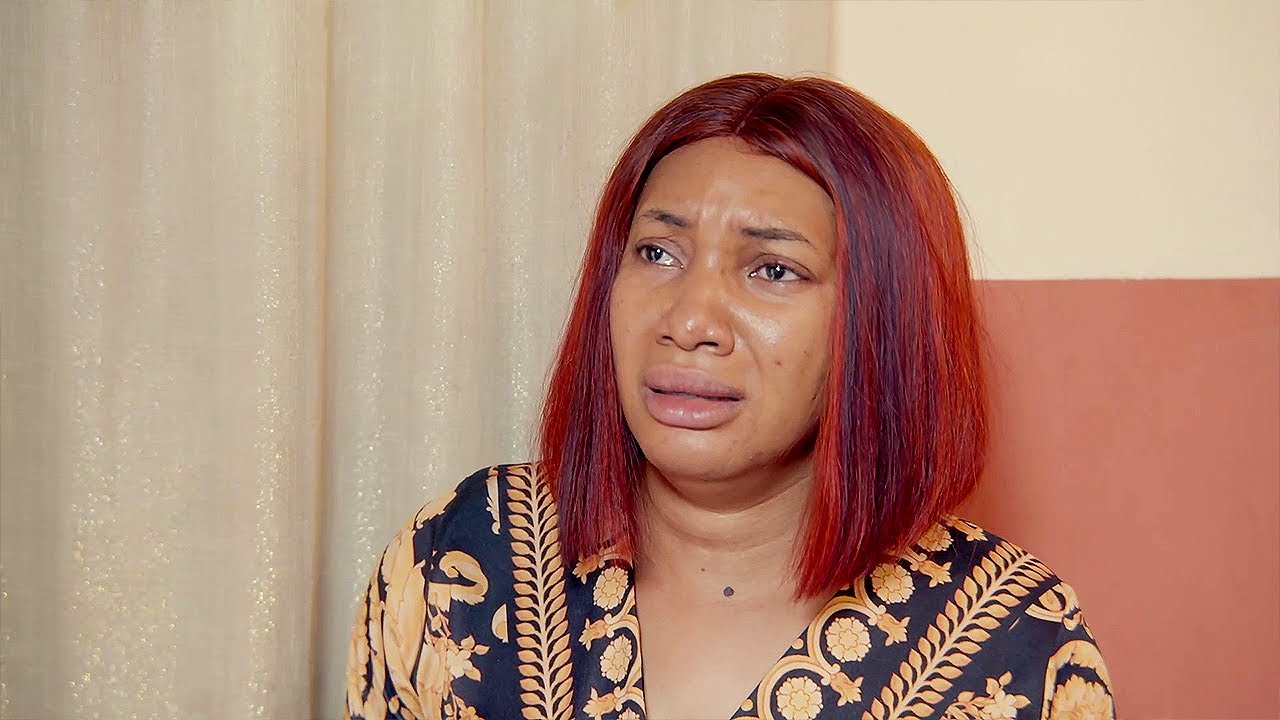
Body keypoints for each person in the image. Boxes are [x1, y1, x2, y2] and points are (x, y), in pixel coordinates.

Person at [344, 73, 1115, 720]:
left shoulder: (1013, 646)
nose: (688, 321)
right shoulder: (459, 559)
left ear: (881, 322)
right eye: (657, 252)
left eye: (772, 270)